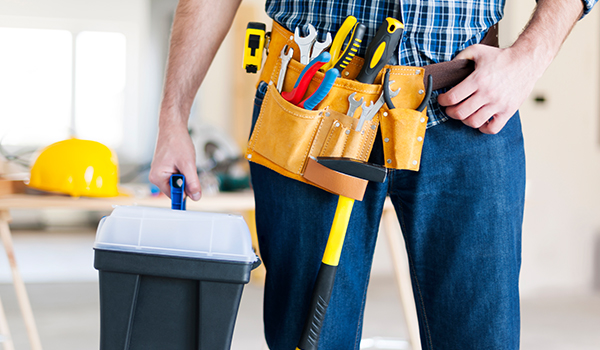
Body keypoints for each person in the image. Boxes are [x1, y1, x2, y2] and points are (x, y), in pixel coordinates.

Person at [149, 0, 597, 349]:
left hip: (471, 106)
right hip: (310, 109)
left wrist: (529, 59)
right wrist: (173, 116)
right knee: (309, 339)